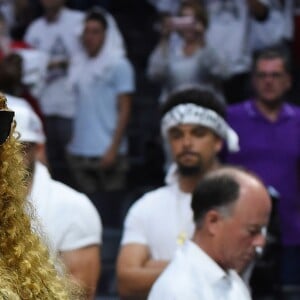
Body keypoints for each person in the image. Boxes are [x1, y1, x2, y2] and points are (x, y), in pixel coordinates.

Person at [117, 84, 239, 299]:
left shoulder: (241, 203)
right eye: (177, 134)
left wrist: (152, 266)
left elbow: (236, 271)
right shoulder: (147, 206)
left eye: (198, 133)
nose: (187, 143)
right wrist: (204, 267)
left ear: (218, 142)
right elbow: (127, 282)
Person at [8, 96, 102, 300]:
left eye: (18, 148)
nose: (8, 156)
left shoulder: (74, 206)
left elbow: (81, 292)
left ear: (38, 149)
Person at [226, 48, 300, 299]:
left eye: (276, 75)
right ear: (253, 80)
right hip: (239, 238)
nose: (269, 81)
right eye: (262, 75)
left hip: (293, 235)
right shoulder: (231, 119)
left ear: (288, 80)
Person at [148, 166, 271, 300]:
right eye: (252, 231)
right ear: (213, 221)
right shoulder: (179, 290)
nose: (261, 242)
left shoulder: (233, 281)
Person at [66, 8, 135, 226]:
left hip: (108, 150)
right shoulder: (78, 64)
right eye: (86, 31)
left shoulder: (119, 64)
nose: (89, 37)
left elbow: (125, 108)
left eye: (95, 31)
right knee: (84, 215)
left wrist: (113, 148)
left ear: (107, 35)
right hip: (80, 151)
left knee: (109, 215)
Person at [147, 1, 227, 104]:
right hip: (175, 108)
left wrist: (202, 40)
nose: (189, 25)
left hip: (205, 108)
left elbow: (222, 73)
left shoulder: (212, 46)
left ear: (202, 21)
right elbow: (154, 74)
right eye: (184, 18)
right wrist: (164, 39)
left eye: (193, 20)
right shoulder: (171, 49)